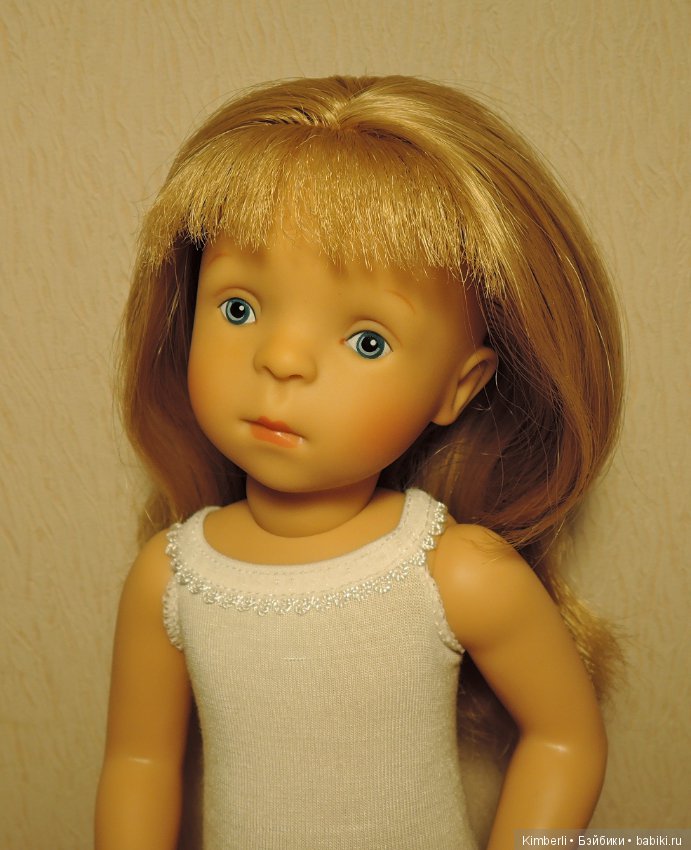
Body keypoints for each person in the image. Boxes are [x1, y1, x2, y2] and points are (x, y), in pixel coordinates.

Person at [95, 75, 623, 850]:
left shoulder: (453, 571)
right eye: (239, 308)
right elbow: (138, 764)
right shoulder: (172, 578)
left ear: (458, 387)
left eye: (367, 341)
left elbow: (564, 740)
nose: (281, 360)